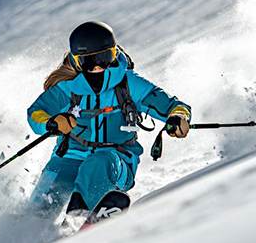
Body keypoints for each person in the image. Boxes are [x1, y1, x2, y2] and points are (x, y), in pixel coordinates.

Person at [26, 21, 191, 217]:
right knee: (50, 186)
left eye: (104, 58)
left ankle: (80, 219)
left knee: (98, 162)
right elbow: (36, 112)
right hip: (70, 156)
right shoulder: (68, 88)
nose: (97, 67)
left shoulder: (129, 84)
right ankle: (29, 233)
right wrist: (50, 123)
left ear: (114, 53)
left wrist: (178, 117)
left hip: (117, 160)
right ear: (76, 61)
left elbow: (173, 106)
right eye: (89, 61)